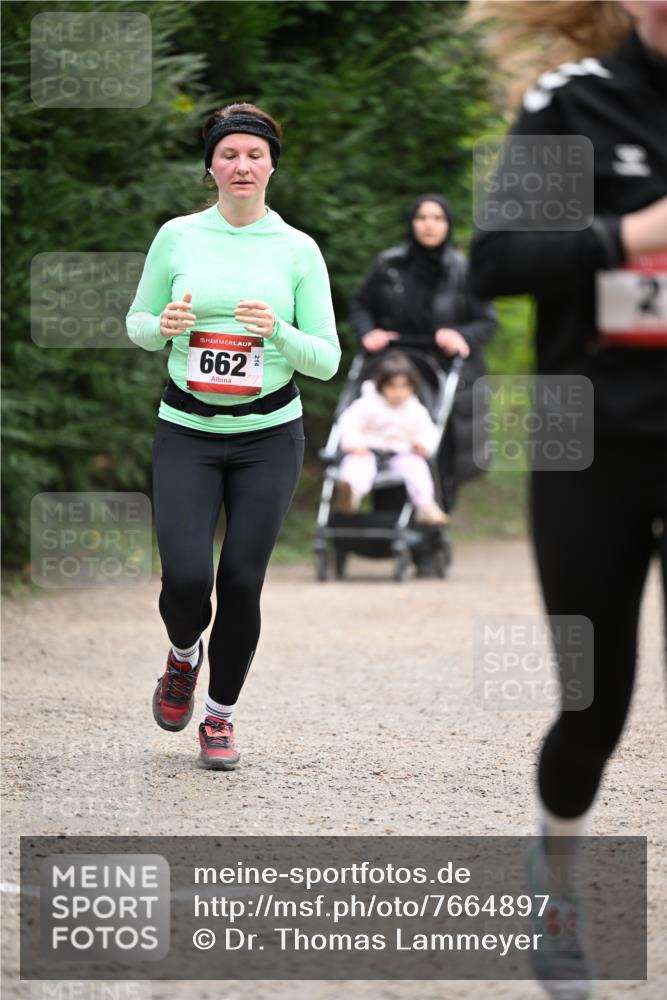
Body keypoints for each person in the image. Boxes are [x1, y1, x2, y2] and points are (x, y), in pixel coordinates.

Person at [468, 1, 667, 996]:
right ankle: (556, 878)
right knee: (594, 705)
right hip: (587, 442)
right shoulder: (570, 104)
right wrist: (631, 232)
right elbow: (496, 262)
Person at [126, 102, 340, 770]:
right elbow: (137, 322)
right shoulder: (178, 237)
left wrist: (277, 331)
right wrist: (162, 326)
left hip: (268, 438)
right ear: (211, 167)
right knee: (187, 576)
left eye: (254, 155)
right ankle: (182, 657)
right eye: (228, 154)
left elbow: (327, 359)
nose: (241, 165)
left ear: (272, 166)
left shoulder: (298, 250)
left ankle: (218, 717)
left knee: (242, 582)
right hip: (186, 431)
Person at [349, 193, 497, 515]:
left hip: (447, 374)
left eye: (437, 218)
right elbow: (361, 305)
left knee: (438, 450)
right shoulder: (389, 265)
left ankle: (433, 526)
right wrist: (369, 332)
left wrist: (461, 335)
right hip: (394, 369)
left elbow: (487, 321)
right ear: (411, 223)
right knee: (386, 437)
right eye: (422, 217)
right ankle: (386, 522)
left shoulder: (464, 270)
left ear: (448, 225)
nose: (429, 225)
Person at [336, 352, 449, 526]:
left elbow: (427, 431)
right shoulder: (368, 404)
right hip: (368, 451)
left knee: (417, 468)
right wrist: (354, 444)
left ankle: (425, 506)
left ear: (412, 387)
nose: (398, 392)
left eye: (404, 386)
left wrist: (423, 444)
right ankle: (351, 496)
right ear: (380, 385)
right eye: (392, 386)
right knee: (356, 467)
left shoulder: (415, 410)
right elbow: (349, 424)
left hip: (402, 453)